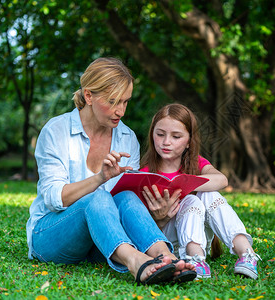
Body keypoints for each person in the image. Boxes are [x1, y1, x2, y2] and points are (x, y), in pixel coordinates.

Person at [26, 58, 196, 285]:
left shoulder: (126, 138)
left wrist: (158, 214)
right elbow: (55, 198)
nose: (121, 111)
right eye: (113, 101)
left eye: (125, 102)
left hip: (103, 242)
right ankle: (136, 262)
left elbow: (127, 205)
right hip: (52, 237)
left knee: (127, 196)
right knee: (97, 196)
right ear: (89, 96)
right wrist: (100, 178)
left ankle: (166, 256)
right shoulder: (56, 131)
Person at [139, 103, 261, 280]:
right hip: (165, 240)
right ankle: (194, 258)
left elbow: (221, 180)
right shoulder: (146, 172)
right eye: (160, 134)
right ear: (152, 135)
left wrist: (185, 184)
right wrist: (161, 216)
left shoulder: (195, 163)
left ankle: (247, 254)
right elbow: (140, 225)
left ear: (189, 141)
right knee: (192, 200)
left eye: (176, 136)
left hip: (198, 233)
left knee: (208, 193)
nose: (166, 142)